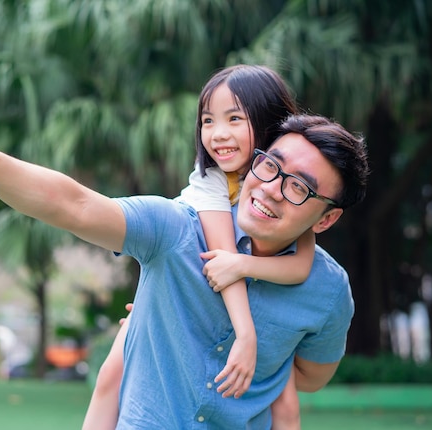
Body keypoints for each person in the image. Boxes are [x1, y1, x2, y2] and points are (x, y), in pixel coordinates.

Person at [0, 92, 369, 428]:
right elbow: (73, 203)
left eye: (299, 187)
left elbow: (310, 375)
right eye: (270, 166)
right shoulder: (177, 230)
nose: (271, 187)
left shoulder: (327, 291)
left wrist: (265, 351)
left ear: (325, 220)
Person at [83, 64, 313, 430]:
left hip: (246, 309)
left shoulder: (288, 184)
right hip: (185, 287)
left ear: (270, 120)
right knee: (112, 372)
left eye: (234, 119)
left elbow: (300, 265)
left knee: (283, 405)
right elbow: (223, 260)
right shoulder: (209, 179)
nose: (218, 135)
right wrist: (245, 333)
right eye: (208, 121)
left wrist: (244, 268)